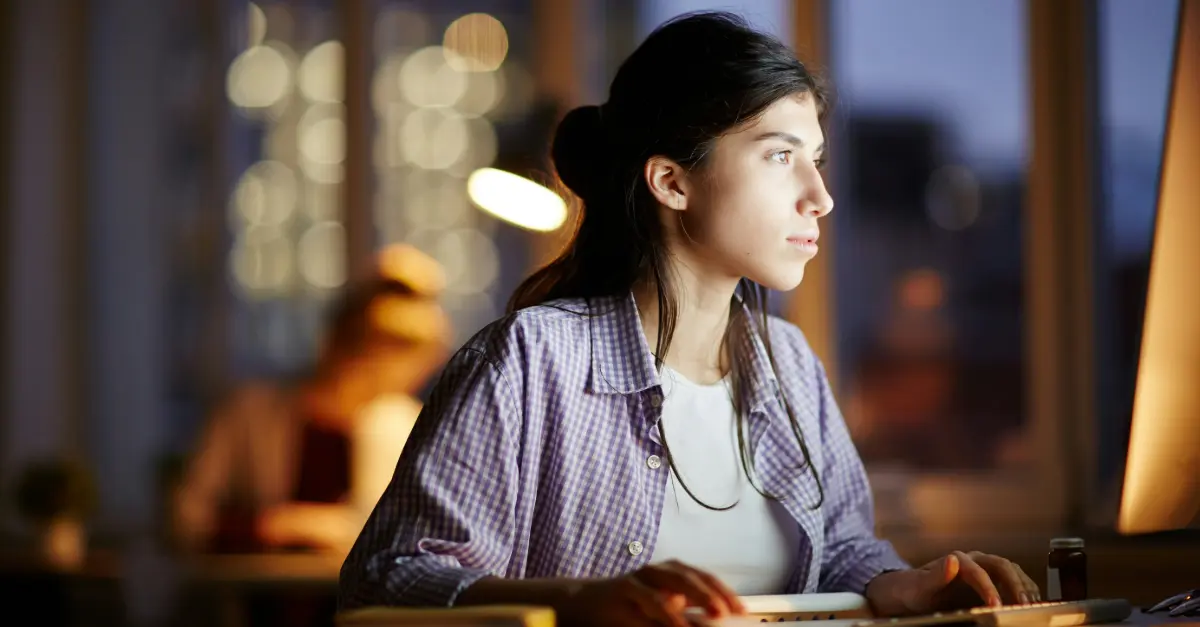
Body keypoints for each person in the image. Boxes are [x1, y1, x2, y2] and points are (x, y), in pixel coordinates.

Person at [338, 11, 1040, 627]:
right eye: (779, 157)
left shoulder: (787, 361)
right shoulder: (531, 358)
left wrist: (900, 582)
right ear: (671, 180)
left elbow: (842, 547)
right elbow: (385, 581)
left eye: (817, 161)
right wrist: (575, 602)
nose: (819, 196)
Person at [174, 246, 451, 556]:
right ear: (337, 338)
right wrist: (279, 526)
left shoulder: (405, 426)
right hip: (257, 596)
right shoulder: (250, 412)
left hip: (362, 601)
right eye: (373, 348)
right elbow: (189, 519)